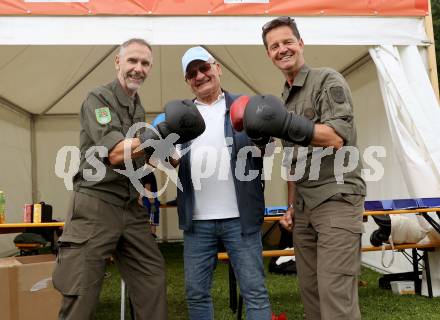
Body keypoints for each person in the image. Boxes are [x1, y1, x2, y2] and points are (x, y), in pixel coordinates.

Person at [52, 38, 169, 320]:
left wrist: (168, 148)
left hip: (130, 207)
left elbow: (140, 158)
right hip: (96, 204)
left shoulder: (137, 107)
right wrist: (154, 136)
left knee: (152, 277)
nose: (138, 68)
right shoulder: (99, 98)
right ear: (118, 62)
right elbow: (116, 154)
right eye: (132, 60)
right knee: (81, 291)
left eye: (144, 63)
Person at [260, 17, 366, 320]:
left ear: (300, 43)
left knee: (336, 297)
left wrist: (285, 122)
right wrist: (292, 206)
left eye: (287, 42)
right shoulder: (284, 98)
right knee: (311, 293)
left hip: (336, 198)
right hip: (304, 207)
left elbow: (334, 137)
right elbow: (293, 160)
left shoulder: (327, 79)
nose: (282, 49)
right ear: (269, 54)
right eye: (274, 46)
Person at [176, 46, 271, 320]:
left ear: (217, 68)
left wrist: (263, 138)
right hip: (197, 221)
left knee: (254, 291)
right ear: (187, 81)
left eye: (204, 68)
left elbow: (269, 151)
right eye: (192, 73)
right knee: (196, 293)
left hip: (241, 219)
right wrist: (164, 156)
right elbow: (168, 159)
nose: (200, 76)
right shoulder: (180, 115)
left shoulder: (245, 105)